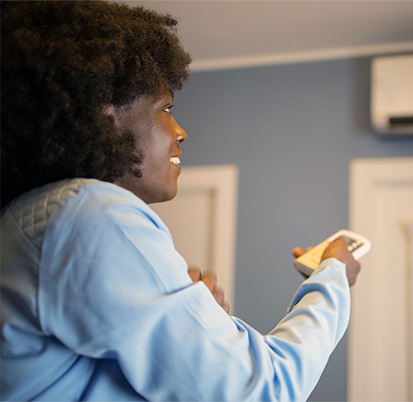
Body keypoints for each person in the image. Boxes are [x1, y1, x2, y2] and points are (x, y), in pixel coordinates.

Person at [0, 0, 361, 401]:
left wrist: (194, 329)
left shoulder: (26, 220)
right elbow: (264, 389)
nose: (181, 131)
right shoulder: (88, 213)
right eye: (166, 108)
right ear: (105, 116)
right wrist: (332, 280)